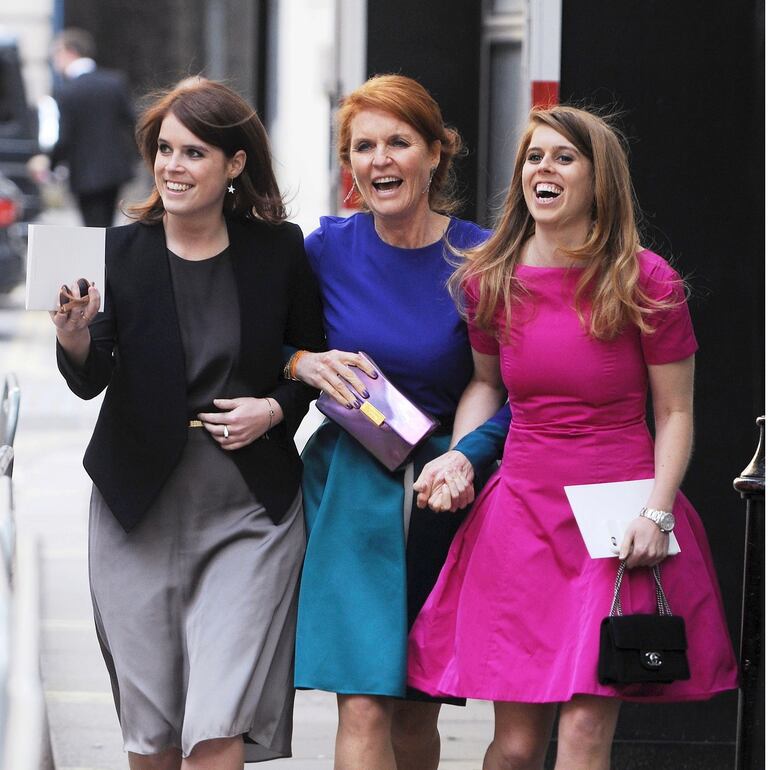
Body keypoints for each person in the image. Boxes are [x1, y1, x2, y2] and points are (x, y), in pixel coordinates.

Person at [407, 105, 738, 770]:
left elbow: (675, 413)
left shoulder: (645, 280)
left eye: (563, 157)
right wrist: (458, 459)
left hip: (615, 521)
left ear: (597, 178)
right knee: (518, 745)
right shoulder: (490, 276)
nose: (544, 169)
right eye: (534, 157)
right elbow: (486, 385)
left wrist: (656, 509)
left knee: (585, 730)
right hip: (521, 516)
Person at [52, 80, 324, 768]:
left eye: (193, 152)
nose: (172, 165)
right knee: (152, 738)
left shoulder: (280, 249)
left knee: (216, 726)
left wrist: (274, 410)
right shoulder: (113, 250)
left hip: (248, 515)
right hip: (136, 509)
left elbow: (305, 362)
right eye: (164, 149)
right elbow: (89, 379)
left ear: (234, 164)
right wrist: (74, 336)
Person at [284, 74, 508, 770]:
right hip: (352, 482)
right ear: (348, 162)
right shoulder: (324, 250)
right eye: (363, 146)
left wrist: (463, 458)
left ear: (437, 153)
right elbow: (268, 340)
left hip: (441, 487)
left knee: (416, 705)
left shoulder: (481, 257)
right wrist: (301, 362)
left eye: (399, 143)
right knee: (362, 700)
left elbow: (488, 378)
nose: (380, 160)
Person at [49, 27, 136, 226]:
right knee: (108, 224)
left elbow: (64, 138)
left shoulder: (67, 91)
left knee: (93, 230)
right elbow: (132, 122)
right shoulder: (114, 82)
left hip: (84, 174)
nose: (55, 61)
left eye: (57, 53)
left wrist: (52, 165)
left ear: (70, 52)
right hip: (115, 170)